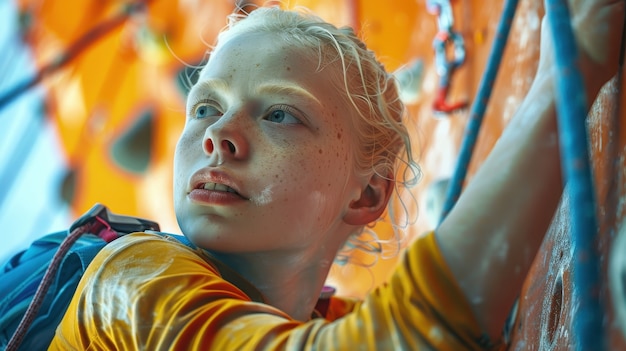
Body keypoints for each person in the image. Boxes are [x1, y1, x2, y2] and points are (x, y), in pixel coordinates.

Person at [49, 0, 624, 349]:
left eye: (279, 114)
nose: (216, 134)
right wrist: (561, 84)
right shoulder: (128, 283)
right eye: (205, 106)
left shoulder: (338, 323)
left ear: (369, 191)